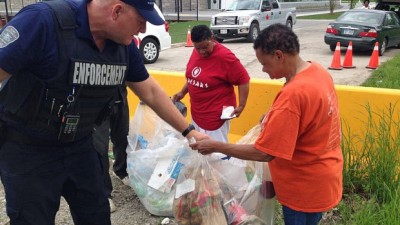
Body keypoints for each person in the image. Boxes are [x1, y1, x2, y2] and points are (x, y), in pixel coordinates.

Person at [0, 0, 208, 224]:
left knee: (96, 214)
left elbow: (150, 92)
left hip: (79, 144)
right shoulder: (42, 21)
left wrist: (189, 132)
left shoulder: (123, 47)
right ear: (117, 10)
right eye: (140, 21)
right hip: (28, 149)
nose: (144, 30)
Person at [190, 24, 343, 225]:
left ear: (279, 55)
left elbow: (265, 152)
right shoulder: (317, 70)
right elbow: (309, 114)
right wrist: (274, 115)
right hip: (325, 176)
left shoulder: (293, 96)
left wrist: (215, 146)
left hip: (302, 188)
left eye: (264, 63)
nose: (262, 69)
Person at [172, 25, 250, 144]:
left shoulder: (225, 57)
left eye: (205, 47)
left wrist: (241, 105)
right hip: (197, 113)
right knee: (198, 148)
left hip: (216, 116)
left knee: (217, 155)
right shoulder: (197, 51)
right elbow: (193, 77)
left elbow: (243, 79)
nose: (202, 52)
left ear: (212, 38)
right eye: (198, 48)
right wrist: (183, 92)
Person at [92, 84, 130, 213]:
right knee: (100, 147)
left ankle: (121, 170)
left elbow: (136, 76)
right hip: (97, 103)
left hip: (120, 98)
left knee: (123, 138)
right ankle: (104, 194)